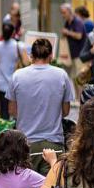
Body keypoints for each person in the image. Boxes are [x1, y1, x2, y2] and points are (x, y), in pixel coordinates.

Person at [8, 38, 74, 174]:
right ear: (51, 56)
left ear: (31, 55)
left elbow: (12, 111)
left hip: (25, 145)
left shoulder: (17, 76)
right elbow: (66, 111)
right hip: (53, 145)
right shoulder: (61, 75)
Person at [0, 23, 27, 120]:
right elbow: (26, 62)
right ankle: (12, 128)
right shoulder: (18, 46)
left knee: (3, 107)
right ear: (13, 33)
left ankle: (4, 130)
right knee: (14, 107)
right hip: (13, 81)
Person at [59, 4, 86, 84]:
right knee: (74, 79)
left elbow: (79, 36)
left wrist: (67, 32)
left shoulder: (77, 21)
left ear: (69, 12)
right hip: (72, 54)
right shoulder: (67, 22)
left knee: (79, 79)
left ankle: (81, 96)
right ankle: (77, 96)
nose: (62, 15)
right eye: (61, 13)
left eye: (64, 13)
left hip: (79, 54)